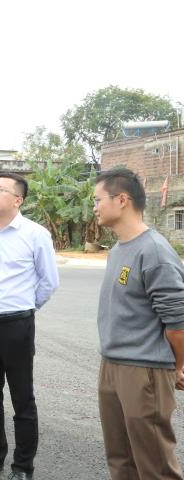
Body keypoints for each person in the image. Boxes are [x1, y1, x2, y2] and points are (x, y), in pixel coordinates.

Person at [0, 173, 59, 480]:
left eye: (0, 190)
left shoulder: (35, 234)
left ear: (18, 199)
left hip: (17, 326)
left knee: (22, 400)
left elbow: (49, 282)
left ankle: (22, 467)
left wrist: (24, 310)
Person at [94, 168, 184, 480]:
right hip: (112, 364)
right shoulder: (118, 249)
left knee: (155, 465)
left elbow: (177, 322)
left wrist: (178, 365)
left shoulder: (154, 250)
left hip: (144, 370)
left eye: (98, 200)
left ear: (122, 200)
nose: (95, 207)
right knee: (121, 460)